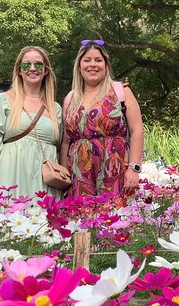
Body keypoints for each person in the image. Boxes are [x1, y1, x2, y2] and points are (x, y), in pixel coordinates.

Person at [59, 40, 144, 198]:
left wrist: (134, 168)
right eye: (87, 60)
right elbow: (66, 141)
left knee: (115, 217)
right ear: (79, 66)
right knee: (81, 218)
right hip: (79, 177)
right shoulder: (70, 98)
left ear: (106, 65)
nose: (93, 64)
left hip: (115, 172)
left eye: (98, 60)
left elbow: (137, 130)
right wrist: (64, 177)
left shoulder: (121, 92)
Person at [0, 46, 62, 199]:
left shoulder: (55, 108)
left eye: (38, 64)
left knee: (44, 221)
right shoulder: (4, 100)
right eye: (26, 65)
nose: (32, 68)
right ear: (19, 70)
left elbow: (62, 148)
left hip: (46, 182)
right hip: (12, 175)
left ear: (46, 70)